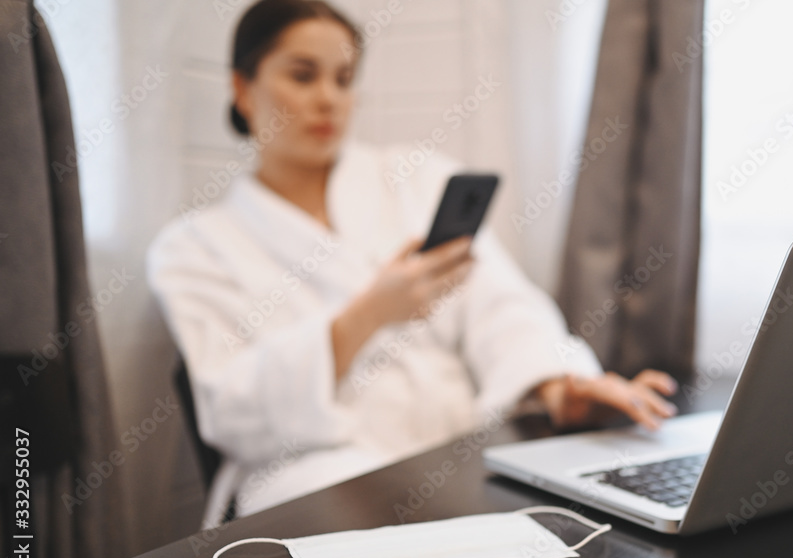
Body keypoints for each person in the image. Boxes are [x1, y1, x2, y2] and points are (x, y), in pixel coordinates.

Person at [147, 0, 677, 527]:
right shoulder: (193, 248)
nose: (329, 99)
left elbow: (501, 306)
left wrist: (558, 387)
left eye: (344, 78)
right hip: (314, 472)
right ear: (242, 87)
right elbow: (230, 407)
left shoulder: (413, 180)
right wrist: (368, 314)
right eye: (303, 76)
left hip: (455, 454)